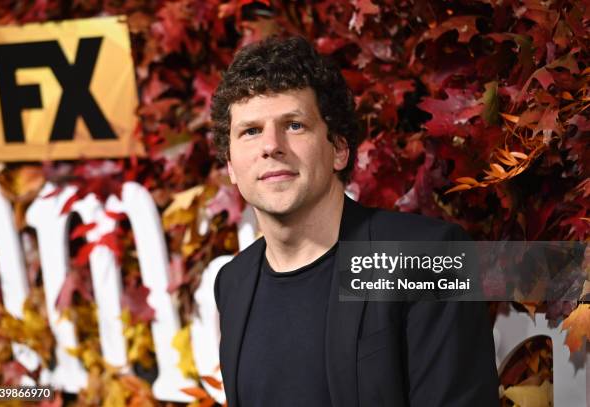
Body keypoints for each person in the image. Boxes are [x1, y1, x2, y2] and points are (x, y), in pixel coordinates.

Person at [211, 36, 499, 407]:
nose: (271, 145)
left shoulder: (427, 258)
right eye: (250, 131)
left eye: (294, 125)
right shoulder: (233, 283)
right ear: (232, 166)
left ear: (339, 150)